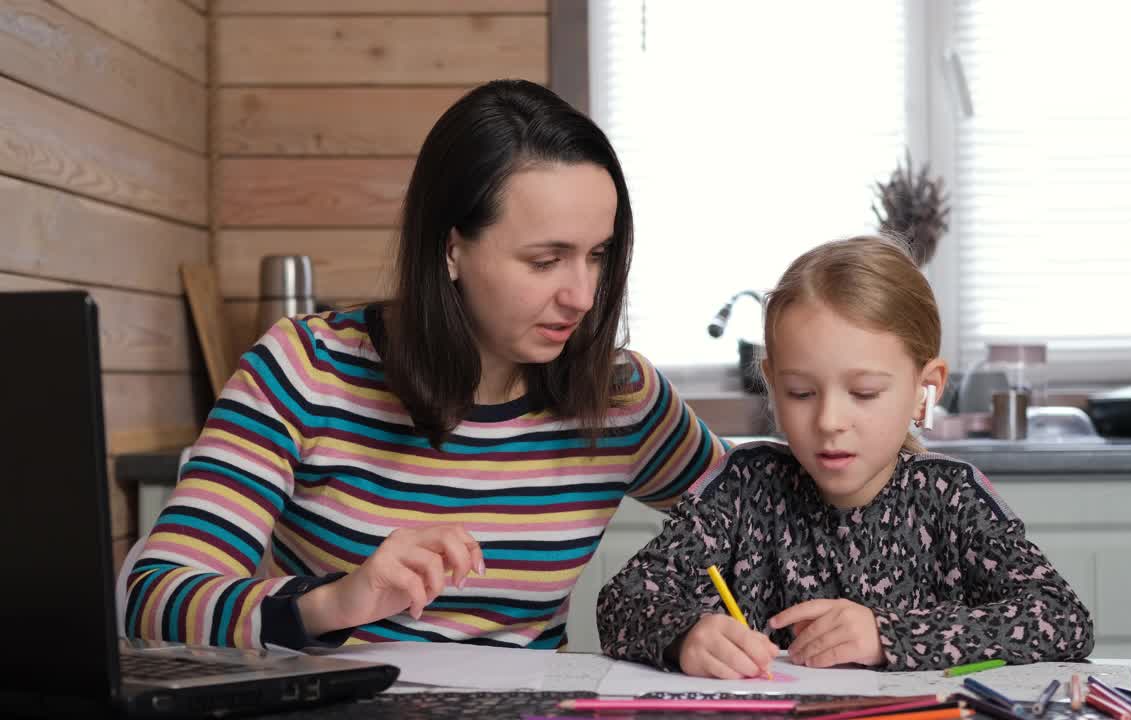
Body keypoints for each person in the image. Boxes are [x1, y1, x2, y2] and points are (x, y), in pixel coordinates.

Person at [124, 79, 729, 650]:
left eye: (598, 255)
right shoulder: (306, 370)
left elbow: (773, 524)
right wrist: (337, 602)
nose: (583, 295)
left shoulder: (622, 395)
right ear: (451, 249)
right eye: (546, 261)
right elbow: (152, 599)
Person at [597, 235, 1094, 676]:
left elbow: (1062, 618)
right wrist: (685, 635)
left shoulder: (950, 497)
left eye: (863, 392)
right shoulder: (743, 488)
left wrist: (890, 635)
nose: (829, 421)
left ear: (926, 387)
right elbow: (623, 600)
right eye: (800, 393)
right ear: (772, 383)